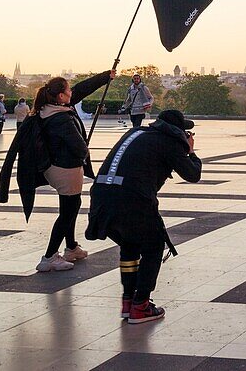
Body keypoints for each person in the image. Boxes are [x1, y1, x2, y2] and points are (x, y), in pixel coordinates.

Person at [85, 109, 202, 324]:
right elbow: (193, 174)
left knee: (130, 246)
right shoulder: (169, 142)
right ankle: (141, 306)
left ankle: (128, 301)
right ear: (178, 131)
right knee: (154, 247)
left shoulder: (136, 133)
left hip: (102, 197)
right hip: (132, 200)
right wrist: (191, 151)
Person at [0, 70, 114, 272]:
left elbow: (81, 89)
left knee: (68, 207)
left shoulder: (46, 108)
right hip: (66, 169)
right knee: (69, 211)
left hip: (55, 167)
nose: (72, 93)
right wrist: (84, 150)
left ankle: (71, 247)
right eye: (68, 90)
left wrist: (105, 77)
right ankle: (49, 256)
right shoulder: (62, 118)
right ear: (61, 96)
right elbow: (79, 148)